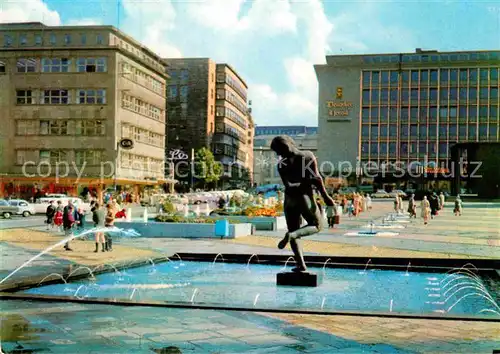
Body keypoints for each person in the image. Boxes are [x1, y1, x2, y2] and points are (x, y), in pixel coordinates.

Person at [271, 135, 334, 272]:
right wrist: (326, 197)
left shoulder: (281, 165)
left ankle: (301, 264)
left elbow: (288, 186)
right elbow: (317, 179)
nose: (278, 155)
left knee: (293, 228)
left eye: (278, 152)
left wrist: (296, 185)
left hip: (289, 200)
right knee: (317, 225)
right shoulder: (307, 156)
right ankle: (291, 235)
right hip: (304, 197)